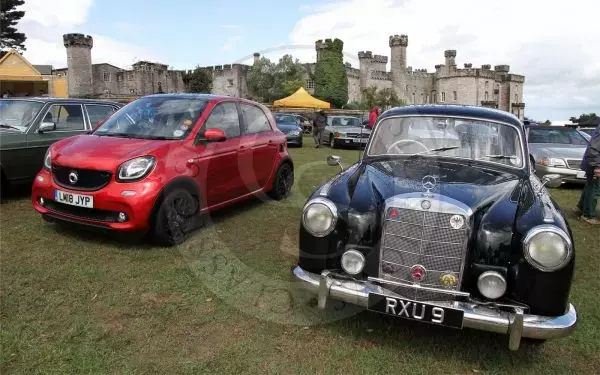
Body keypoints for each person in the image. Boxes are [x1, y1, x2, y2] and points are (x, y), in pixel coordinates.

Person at [576, 125, 600, 224]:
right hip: (595, 164)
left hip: (592, 163)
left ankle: (581, 207)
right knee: (594, 188)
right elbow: (594, 149)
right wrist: (598, 166)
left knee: (590, 186)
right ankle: (588, 215)